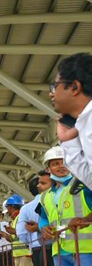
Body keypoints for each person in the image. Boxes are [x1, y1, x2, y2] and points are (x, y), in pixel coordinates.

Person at [55, 53, 92, 185]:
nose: (51, 94)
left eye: (55, 86)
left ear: (74, 87)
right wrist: (69, 142)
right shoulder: (85, 123)